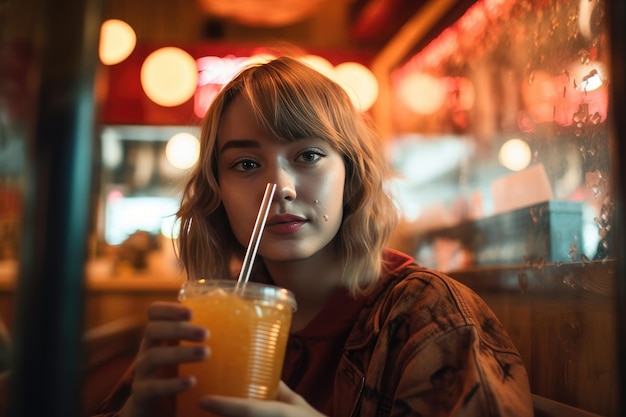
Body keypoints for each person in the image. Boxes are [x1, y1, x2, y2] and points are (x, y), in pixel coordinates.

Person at [91, 56, 533, 417]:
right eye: (246, 164)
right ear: (217, 192)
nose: (279, 186)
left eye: (308, 154)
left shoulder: (428, 316)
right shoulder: (212, 318)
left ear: (351, 175)